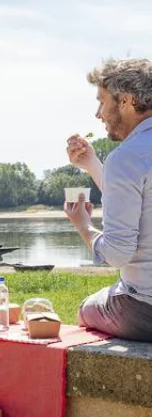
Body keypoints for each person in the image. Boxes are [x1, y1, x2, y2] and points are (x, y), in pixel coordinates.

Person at [65, 58, 152, 341]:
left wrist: (83, 226)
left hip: (144, 307)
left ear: (126, 101)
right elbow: (139, 200)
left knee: (84, 310)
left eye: (102, 102)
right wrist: (92, 164)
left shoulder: (127, 157)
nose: (98, 114)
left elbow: (117, 254)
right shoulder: (135, 156)